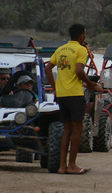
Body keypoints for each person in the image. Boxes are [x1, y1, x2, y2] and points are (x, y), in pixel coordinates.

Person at [43, 23, 103, 175]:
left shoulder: (60, 49)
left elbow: (47, 68)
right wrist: (90, 84)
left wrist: (55, 87)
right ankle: (72, 165)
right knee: (77, 129)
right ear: (82, 35)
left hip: (61, 94)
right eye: (85, 33)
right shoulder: (81, 49)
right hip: (75, 94)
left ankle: (62, 166)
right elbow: (79, 70)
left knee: (67, 130)